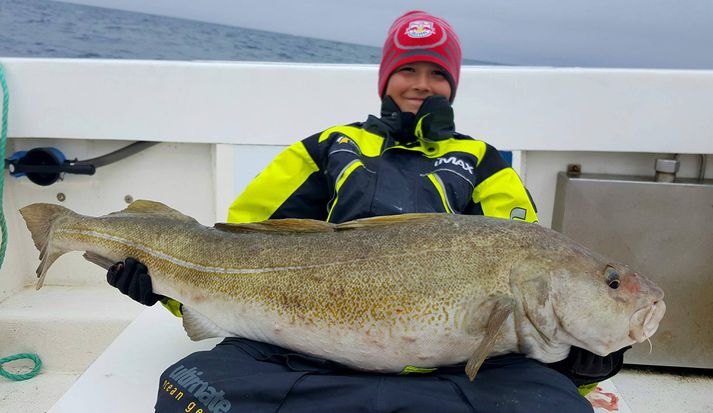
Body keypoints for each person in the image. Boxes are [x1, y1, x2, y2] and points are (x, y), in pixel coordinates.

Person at [107, 10, 627, 413]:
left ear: (453, 85)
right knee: (188, 395)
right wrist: (165, 289)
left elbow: (527, 270)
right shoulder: (329, 146)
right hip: (309, 352)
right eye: (407, 69)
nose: (422, 83)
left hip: (450, 366)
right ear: (385, 79)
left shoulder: (482, 162)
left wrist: (583, 351)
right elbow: (233, 249)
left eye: (436, 73)